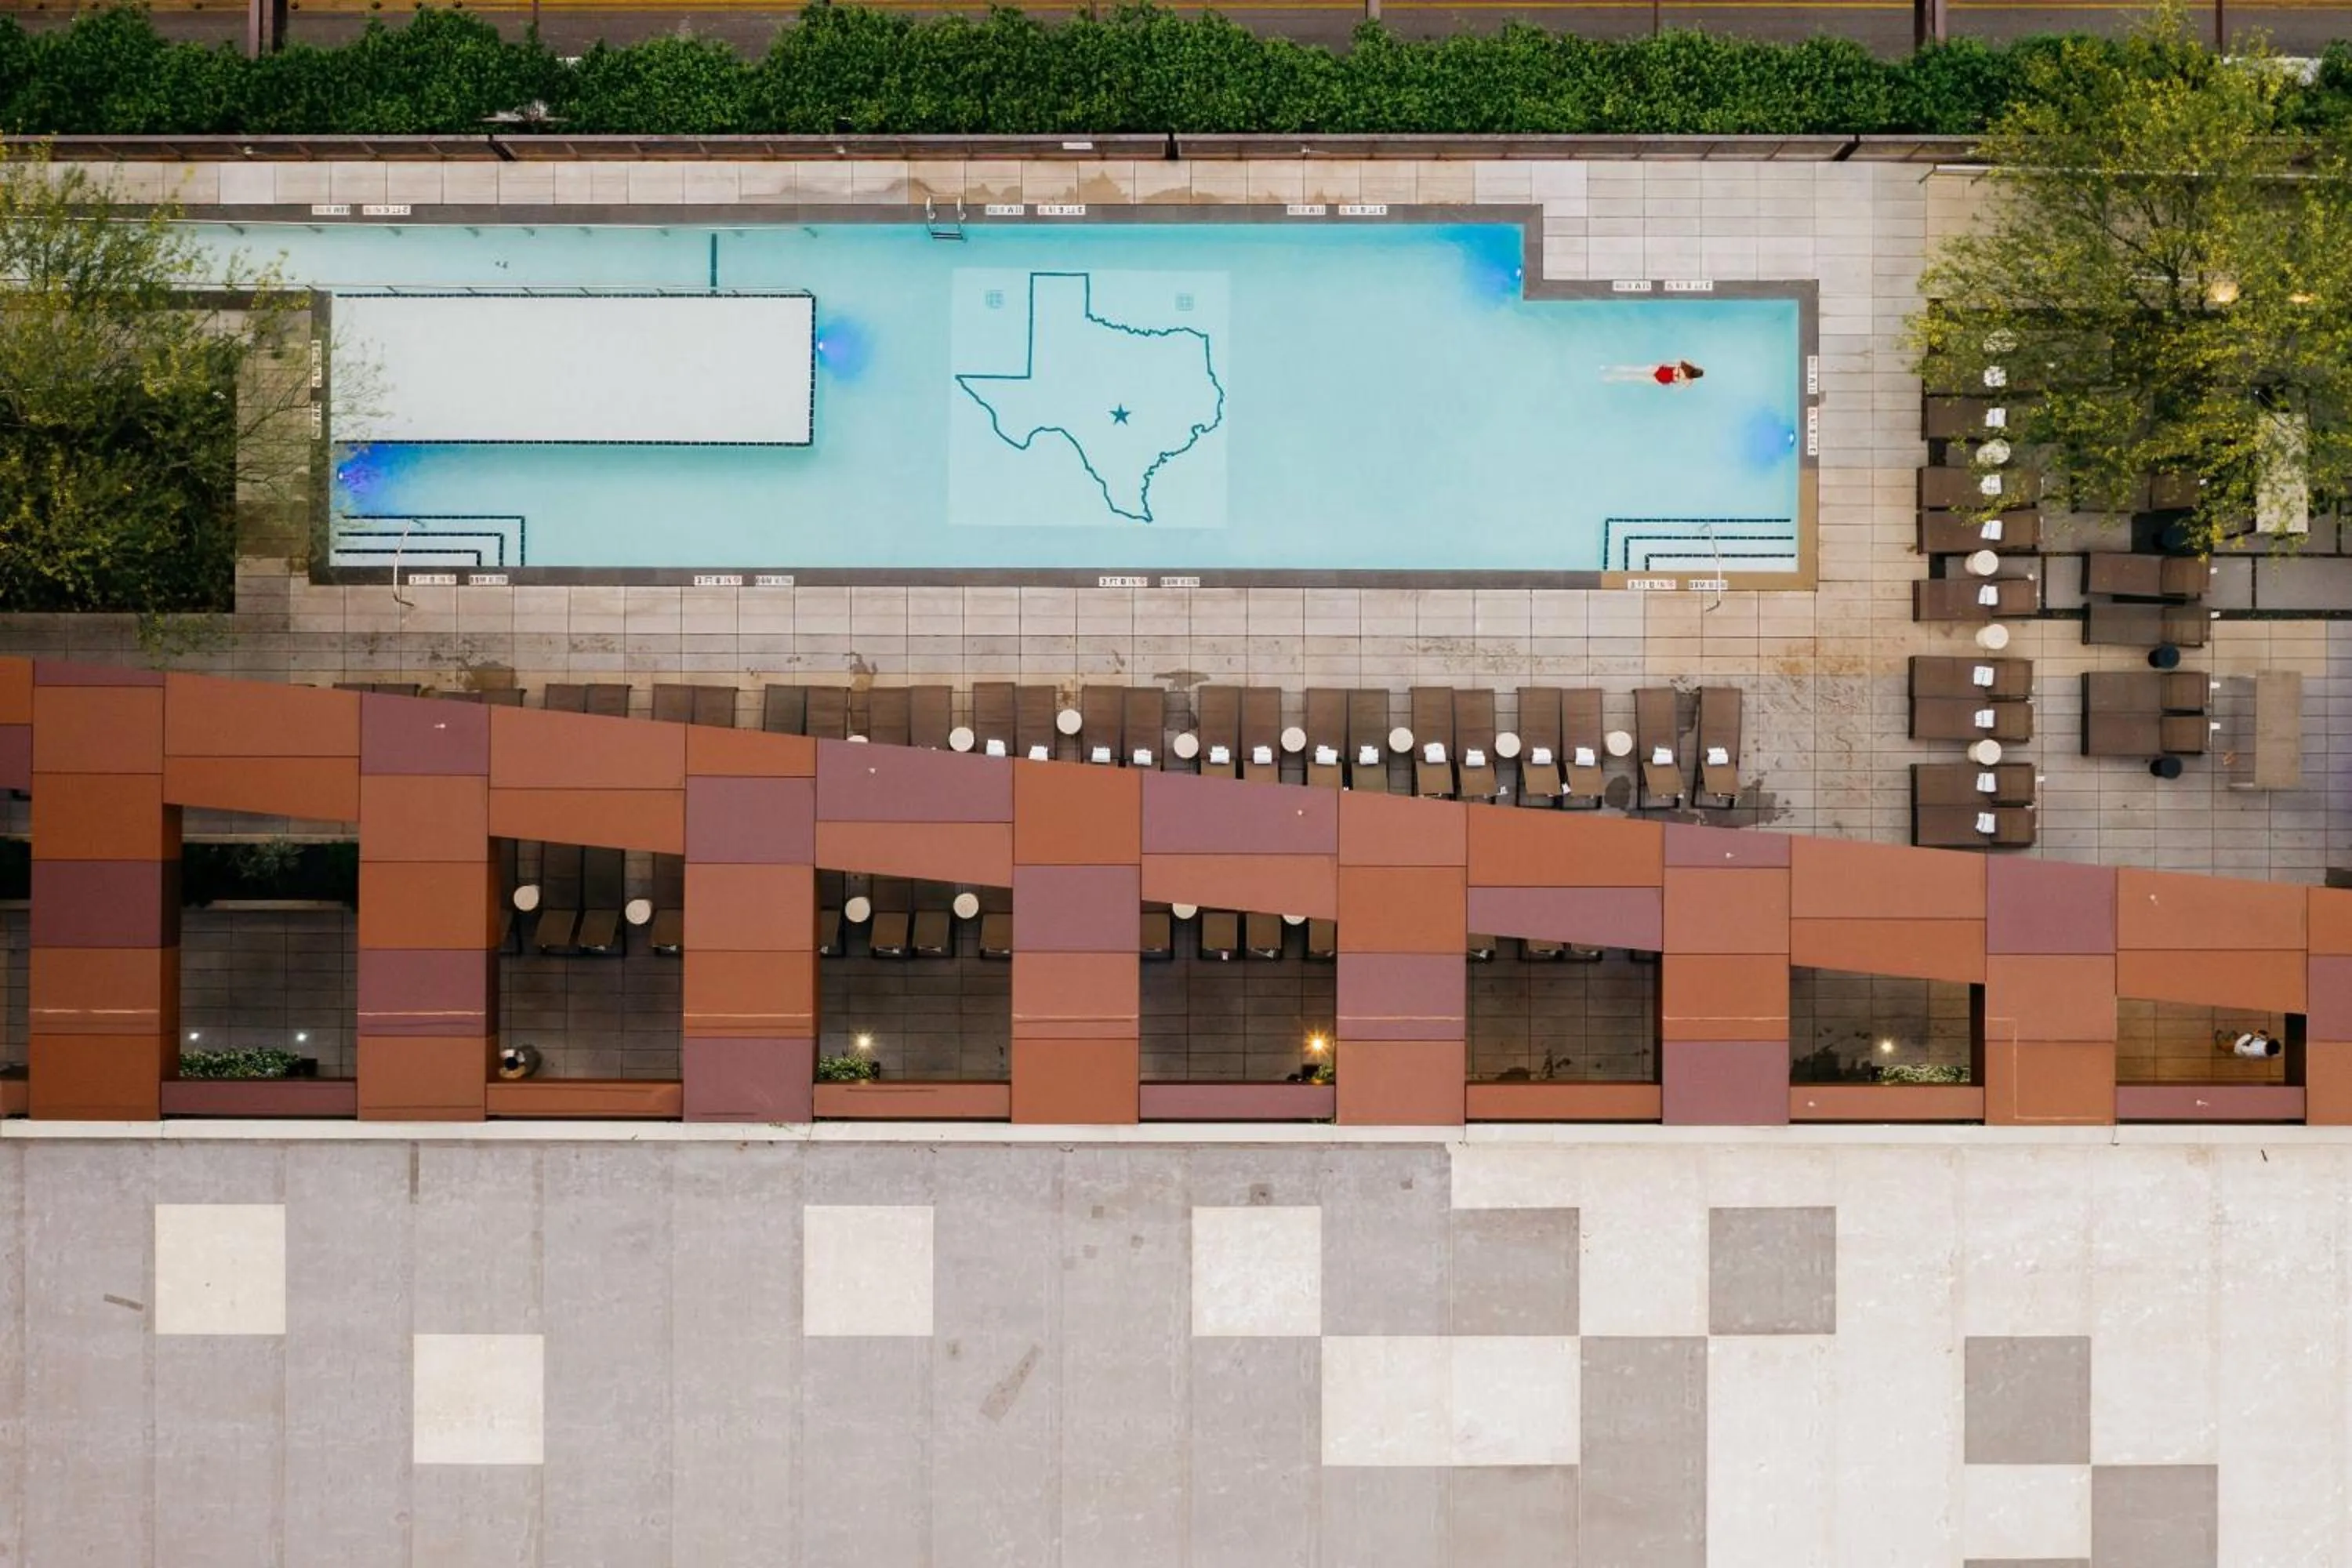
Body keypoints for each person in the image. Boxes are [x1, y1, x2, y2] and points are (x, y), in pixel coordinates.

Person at [1603, 360, 1705, 386]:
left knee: (1635, 371)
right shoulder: (1689, 381)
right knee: (1635, 375)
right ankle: (1610, 375)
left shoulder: (1689, 366)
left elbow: (1674, 361)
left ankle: (1609, 370)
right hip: (1663, 375)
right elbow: (1677, 386)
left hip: (1663, 372)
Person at [2218, 1029, 2282, 1058]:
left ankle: (2221, 1047)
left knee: (2233, 1047)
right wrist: (2263, 1036)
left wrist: (2253, 1037)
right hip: (2251, 1041)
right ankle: (2234, 1039)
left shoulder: (2255, 1052)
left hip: (2241, 1047)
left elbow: (2244, 1047)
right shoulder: (2268, 1049)